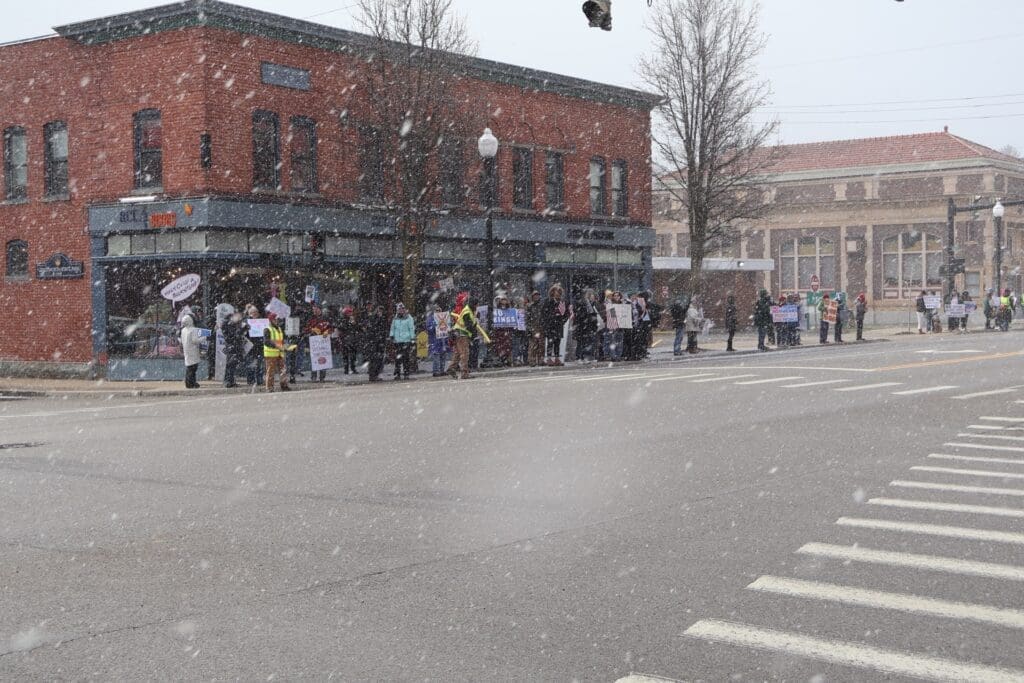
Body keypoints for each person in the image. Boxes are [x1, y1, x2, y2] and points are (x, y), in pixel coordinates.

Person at [448, 294, 490, 379]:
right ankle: (464, 373)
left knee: (457, 353)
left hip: (457, 333)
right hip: (462, 334)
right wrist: (474, 332)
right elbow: (469, 325)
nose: (478, 306)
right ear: (474, 304)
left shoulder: (468, 310)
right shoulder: (467, 311)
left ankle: (451, 368)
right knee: (465, 354)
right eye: (477, 304)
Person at [541, 284, 570, 366]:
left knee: (557, 343)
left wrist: (562, 321)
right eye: (555, 291)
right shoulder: (548, 301)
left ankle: (557, 358)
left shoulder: (562, 302)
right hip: (550, 325)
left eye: (558, 292)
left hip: (559, 325)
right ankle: (549, 358)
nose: (557, 293)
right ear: (552, 292)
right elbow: (543, 313)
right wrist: (548, 321)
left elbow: (566, 313)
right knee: (550, 343)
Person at [262, 313, 291, 392]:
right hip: (271, 354)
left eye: (277, 319)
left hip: (279, 353)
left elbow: (281, 340)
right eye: (275, 319)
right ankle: (269, 388)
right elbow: (266, 342)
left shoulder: (279, 328)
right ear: (271, 320)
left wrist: (285, 345)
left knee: (283, 370)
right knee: (270, 371)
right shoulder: (267, 329)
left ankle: (284, 385)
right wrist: (276, 345)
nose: (277, 321)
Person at [306, 304, 333, 382]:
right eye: (313, 309)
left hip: (323, 342)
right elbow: (306, 328)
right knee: (314, 359)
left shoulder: (325, 318)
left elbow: (331, 327)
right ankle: (313, 377)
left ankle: (322, 377)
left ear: (319, 309)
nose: (314, 311)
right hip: (314, 342)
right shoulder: (310, 318)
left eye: (316, 309)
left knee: (323, 358)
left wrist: (327, 331)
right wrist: (312, 329)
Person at [389, 303, 416, 380]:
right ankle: (397, 374)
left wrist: (412, 338)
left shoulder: (409, 318)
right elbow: (392, 328)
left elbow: (411, 328)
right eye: (399, 309)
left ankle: (406, 373)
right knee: (398, 359)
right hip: (397, 341)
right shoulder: (395, 318)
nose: (401, 310)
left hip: (406, 340)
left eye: (402, 309)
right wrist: (391, 335)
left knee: (406, 358)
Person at [573, 289, 600, 362]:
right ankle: (579, 357)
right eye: (589, 294)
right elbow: (579, 314)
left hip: (590, 325)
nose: (591, 296)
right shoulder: (581, 302)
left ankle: (587, 356)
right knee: (581, 342)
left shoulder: (592, 304)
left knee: (589, 342)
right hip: (582, 325)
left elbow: (594, 314)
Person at [425, 303, 451, 377]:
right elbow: (429, 329)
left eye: (440, 310)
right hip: (434, 340)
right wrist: (435, 325)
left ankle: (442, 370)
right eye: (437, 310)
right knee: (436, 356)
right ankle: (436, 371)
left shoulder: (443, 317)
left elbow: (447, 326)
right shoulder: (430, 318)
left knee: (443, 356)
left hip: (442, 340)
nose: (439, 311)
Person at [221, 311, 246, 388]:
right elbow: (234, 336)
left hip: (233, 346)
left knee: (232, 365)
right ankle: (228, 381)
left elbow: (236, 335)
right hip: (232, 346)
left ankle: (231, 381)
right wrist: (242, 329)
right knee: (231, 364)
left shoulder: (231, 324)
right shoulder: (228, 325)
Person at [364, 304, 389, 382]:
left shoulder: (383, 319)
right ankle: (372, 375)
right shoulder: (373, 319)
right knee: (373, 359)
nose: (380, 312)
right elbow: (371, 330)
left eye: (381, 311)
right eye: (379, 310)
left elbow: (384, 330)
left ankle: (376, 375)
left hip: (380, 342)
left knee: (379, 359)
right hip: (373, 342)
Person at [179, 314, 204, 389]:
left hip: (186, 349)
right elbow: (195, 340)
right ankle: (191, 383)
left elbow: (182, 340)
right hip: (193, 350)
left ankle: (189, 382)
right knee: (193, 367)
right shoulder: (193, 330)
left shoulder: (183, 330)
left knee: (189, 367)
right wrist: (203, 338)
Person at [244, 304, 264, 386]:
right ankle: (251, 380)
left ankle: (259, 380)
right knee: (251, 364)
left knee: (259, 364)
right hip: (251, 347)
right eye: (253, 313)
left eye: (256, 312)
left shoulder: (261, 321)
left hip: (259, 345)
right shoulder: (246, 322)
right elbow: (244, 334)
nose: (255, 314)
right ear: (250, 313)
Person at [338, 306, 360, 374]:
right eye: (349, 313)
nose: (350, 314)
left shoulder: (352, 319)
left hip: (352, 339)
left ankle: (352, 368)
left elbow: (357, 328)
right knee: (345, 356)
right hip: (345, 340)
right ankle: (346, 369)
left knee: (353, 355)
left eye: (351, 313)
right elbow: (341, 328)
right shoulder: (343, 320)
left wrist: (354, 324)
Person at [525, 291, 544, 366]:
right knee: (533, 345)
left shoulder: (542, 305)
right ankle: (532, 360)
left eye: (537, 295)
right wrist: (529, 328)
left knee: (541, 344)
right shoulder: (530, 306)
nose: (536, 297)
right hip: (533, 327)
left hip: (541, 326)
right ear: (532, 297)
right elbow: (527, 319)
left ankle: (540, 360)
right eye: (535, 296)